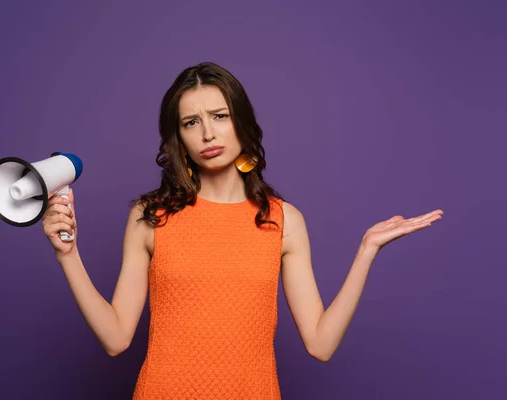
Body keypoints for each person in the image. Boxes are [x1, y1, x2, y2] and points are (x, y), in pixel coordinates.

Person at [41, 62, 443, 399]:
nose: (208, 134)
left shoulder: (284, 220)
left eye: (220, 116)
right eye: (191, 122)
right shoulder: (150, 216)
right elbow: (116, 339)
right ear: (179, 138)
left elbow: (320, 345)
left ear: (242, 123)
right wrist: (68, 255)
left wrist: (366, 250)